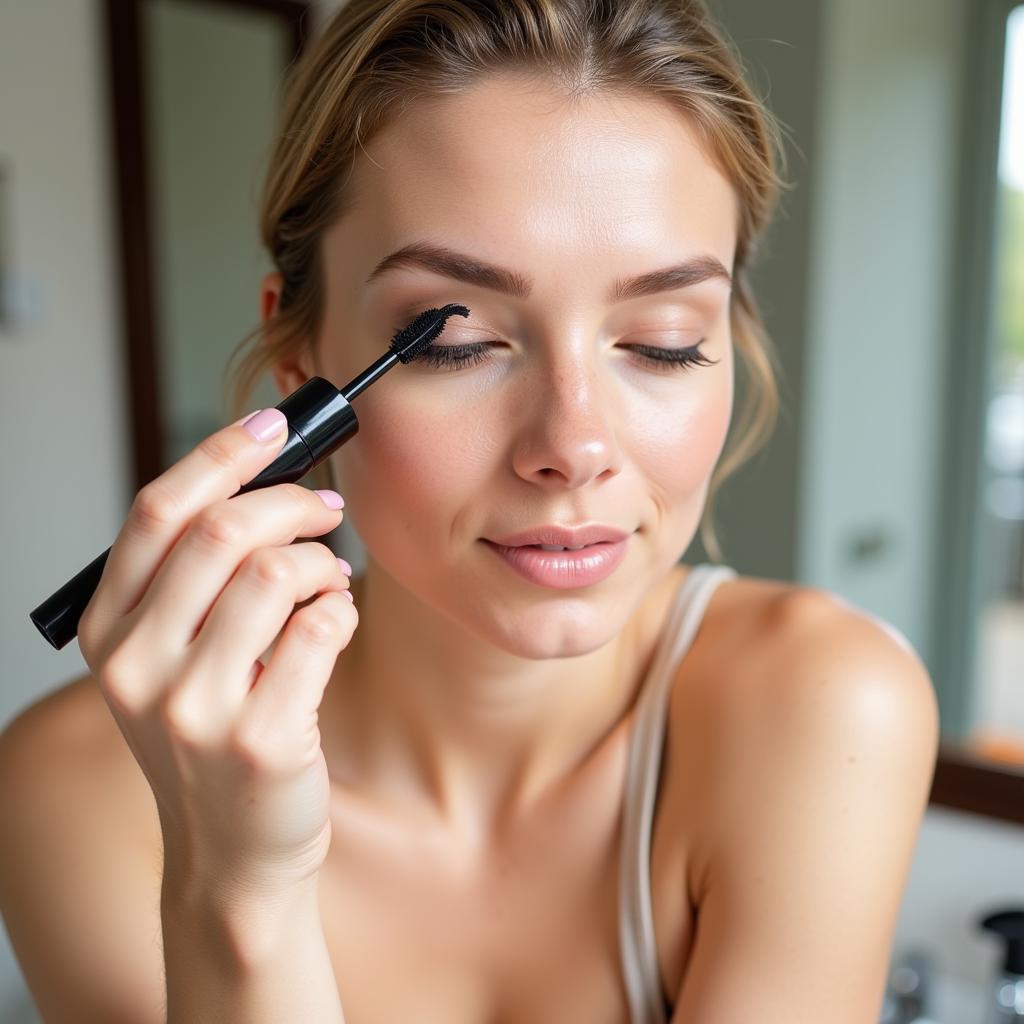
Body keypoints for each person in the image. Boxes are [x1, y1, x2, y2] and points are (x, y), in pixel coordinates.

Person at [0, 1, 940, 1021]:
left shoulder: (822, 707)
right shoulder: (77, 789)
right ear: (300, 358)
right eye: (453, 342)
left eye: (663, 339)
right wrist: (239, 888)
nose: (573, 447)